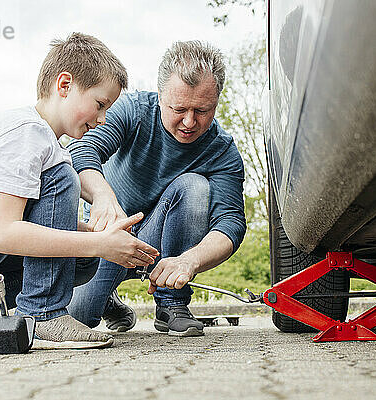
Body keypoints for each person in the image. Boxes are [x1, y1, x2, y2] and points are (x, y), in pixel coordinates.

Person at [0, 33, 159, 349]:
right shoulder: (26, 131)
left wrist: (100, 238)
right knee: (63, 177)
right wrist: (97, 242)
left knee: (83, 259)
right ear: (64, 85)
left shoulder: (43, 141)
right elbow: (3, 233)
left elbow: (25, 218)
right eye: (100, 104)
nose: (103, 119)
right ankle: (43, 314)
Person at [67, 40, 246, 337]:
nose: (189, 122)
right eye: (179, 109)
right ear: (160, 96)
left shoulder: (222, 151)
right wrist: (102, 196)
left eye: (202, 110)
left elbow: (231, 224)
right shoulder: (133, 111)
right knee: (80, 316)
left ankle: (171, 303)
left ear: (217, 100)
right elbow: (83, 151)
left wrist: (190, 260)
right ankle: (106, 296)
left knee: (194, 186)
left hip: (164, 243)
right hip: (112, 235)